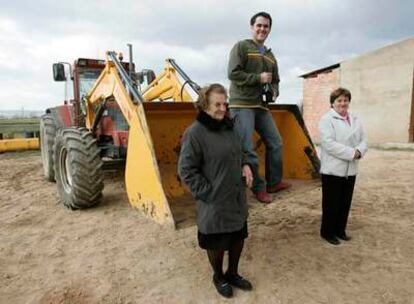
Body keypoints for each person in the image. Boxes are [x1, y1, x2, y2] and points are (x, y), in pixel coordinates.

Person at [178, 84, 254, 298]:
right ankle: (218, 277)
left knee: (238, 237)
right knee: (217, 243)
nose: (222, 108)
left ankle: (232, 273)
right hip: (215, 201)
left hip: (236, 197)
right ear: (204, 106)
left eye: (224, 103)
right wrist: (209, 193)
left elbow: (240, 152)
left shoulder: (229, 127)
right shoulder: (195, 133)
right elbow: (186, 170)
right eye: (217, 104)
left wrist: (245, 164)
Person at [227, 11, 290, 204]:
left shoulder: (270, 56)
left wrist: (274, 91)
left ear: (269, 29)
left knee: (276, 142)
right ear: (252, 27)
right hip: (241, 104)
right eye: (259, 25)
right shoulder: (242, 47)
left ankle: (274, 182)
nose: (262, 29)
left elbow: (276, 80)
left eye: (266, 26)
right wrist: (258, 78)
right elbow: (233, 73)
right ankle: (259, 189)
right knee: (248, 148)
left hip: (261, 106)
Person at [318, 87, 368, 245]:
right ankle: (327, 233)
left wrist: (359, 150)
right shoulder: (327, 120)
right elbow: (328, 144)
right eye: (339, 100)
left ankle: (340, 230)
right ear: (332, 103)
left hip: (351, 170)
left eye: (345, 100)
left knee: (345, 203)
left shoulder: (355, 119)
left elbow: (364, 139)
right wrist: (351, 153)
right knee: (331, 204)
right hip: (332, 170)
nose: (342, 103)